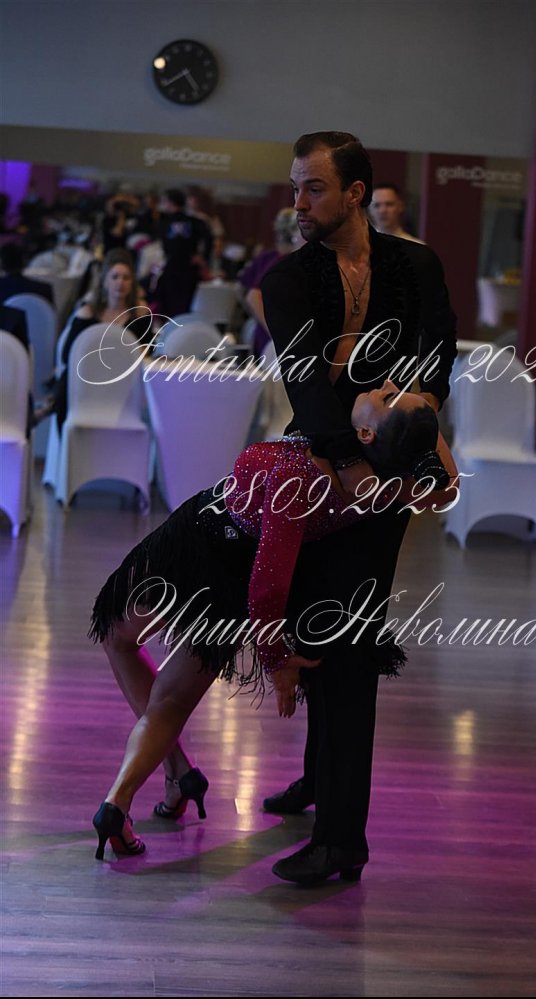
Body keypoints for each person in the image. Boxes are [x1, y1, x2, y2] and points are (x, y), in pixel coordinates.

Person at [89, 386, 458, 862]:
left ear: (368, 433)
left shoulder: (298, 478)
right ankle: (173, 775)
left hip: (209, 550)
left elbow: (267, 588)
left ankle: (121, 801)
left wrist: (278, 662)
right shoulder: (387, 484)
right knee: (134, 658)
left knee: (153, 682)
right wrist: (424, 420)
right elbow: (447, 485)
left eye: (390, 398)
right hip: (214, 555)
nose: (386, 386)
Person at [259, 131, 456, 883]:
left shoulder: (418, 264)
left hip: (391, 470)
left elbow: (439, 350)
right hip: (321, 468)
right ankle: (319, 780)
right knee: (316, 628)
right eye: (295, 187)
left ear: (354, 192)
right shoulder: (287, 279)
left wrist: (416, 413)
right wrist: (350, 465)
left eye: (313, 188)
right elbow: (307, 387)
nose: (298, 202)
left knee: (348, 646)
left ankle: (343, 839)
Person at [51, 248, 151, 431]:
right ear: (105, 281)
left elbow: (148, 354)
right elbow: (68, 356)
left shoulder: (140, 314)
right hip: (89, 380)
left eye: (126, 278)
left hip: (125, 384)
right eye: (115, 277)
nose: (120, 282)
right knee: (68, 378)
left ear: (132, 283)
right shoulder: (88, 314)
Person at [237, 208, 304, 355]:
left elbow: (242, 290)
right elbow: (252, 296)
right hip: (274, 341)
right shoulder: (282, 261)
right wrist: (275, 332)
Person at [153, 188, 211, 317]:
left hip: (173, 268)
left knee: (170, 305)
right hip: (189, 269)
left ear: (171, 202)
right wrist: (203, 257)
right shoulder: (195, 221)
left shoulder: (164, 223)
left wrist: (203, 257)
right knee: (186, 305)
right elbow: (209, 238)